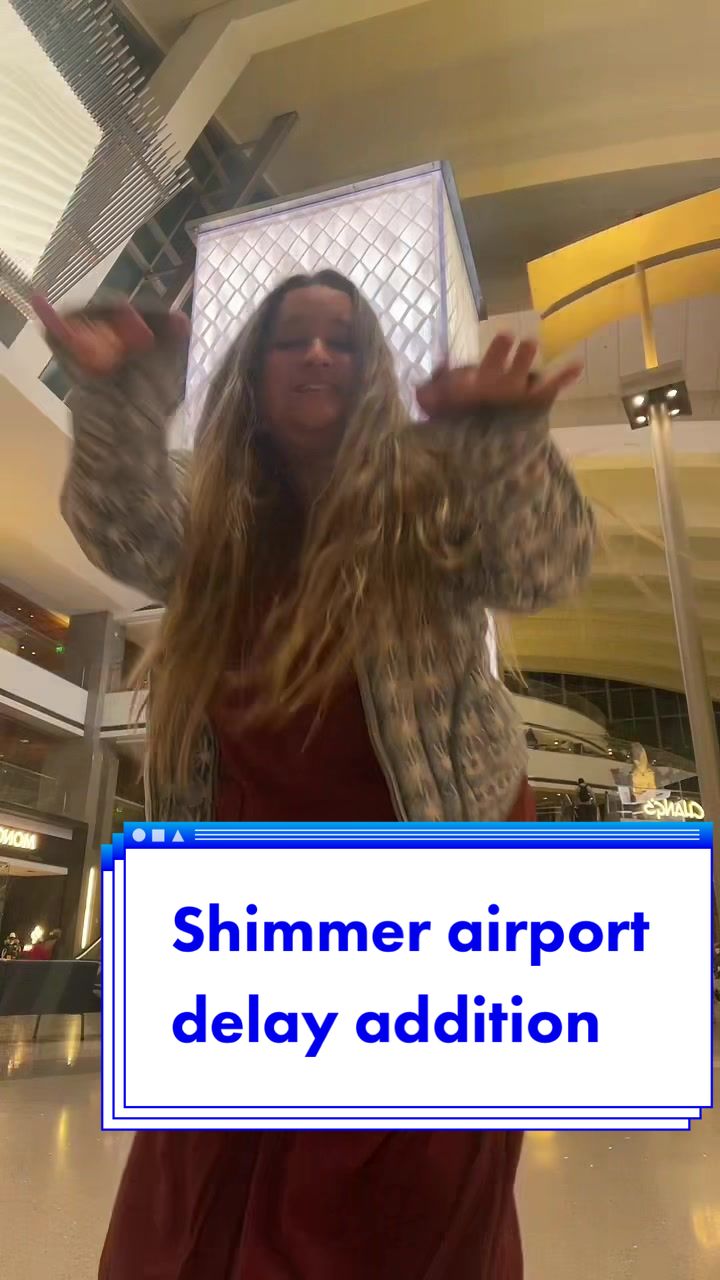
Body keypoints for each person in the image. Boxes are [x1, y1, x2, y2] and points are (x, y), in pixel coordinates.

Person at [37, 269, 594, 1280]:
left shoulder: (426, 494)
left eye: (344, 339)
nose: (320, 354)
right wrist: (120, 394)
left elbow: (541, 570)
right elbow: (120, 527)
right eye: (293, 337)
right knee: (208, 1176)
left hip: (426, 889)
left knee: (405, 1185)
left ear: (371, 368)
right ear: (254, 368)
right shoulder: (213, 517)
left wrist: (507, 439)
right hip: (257, 896)